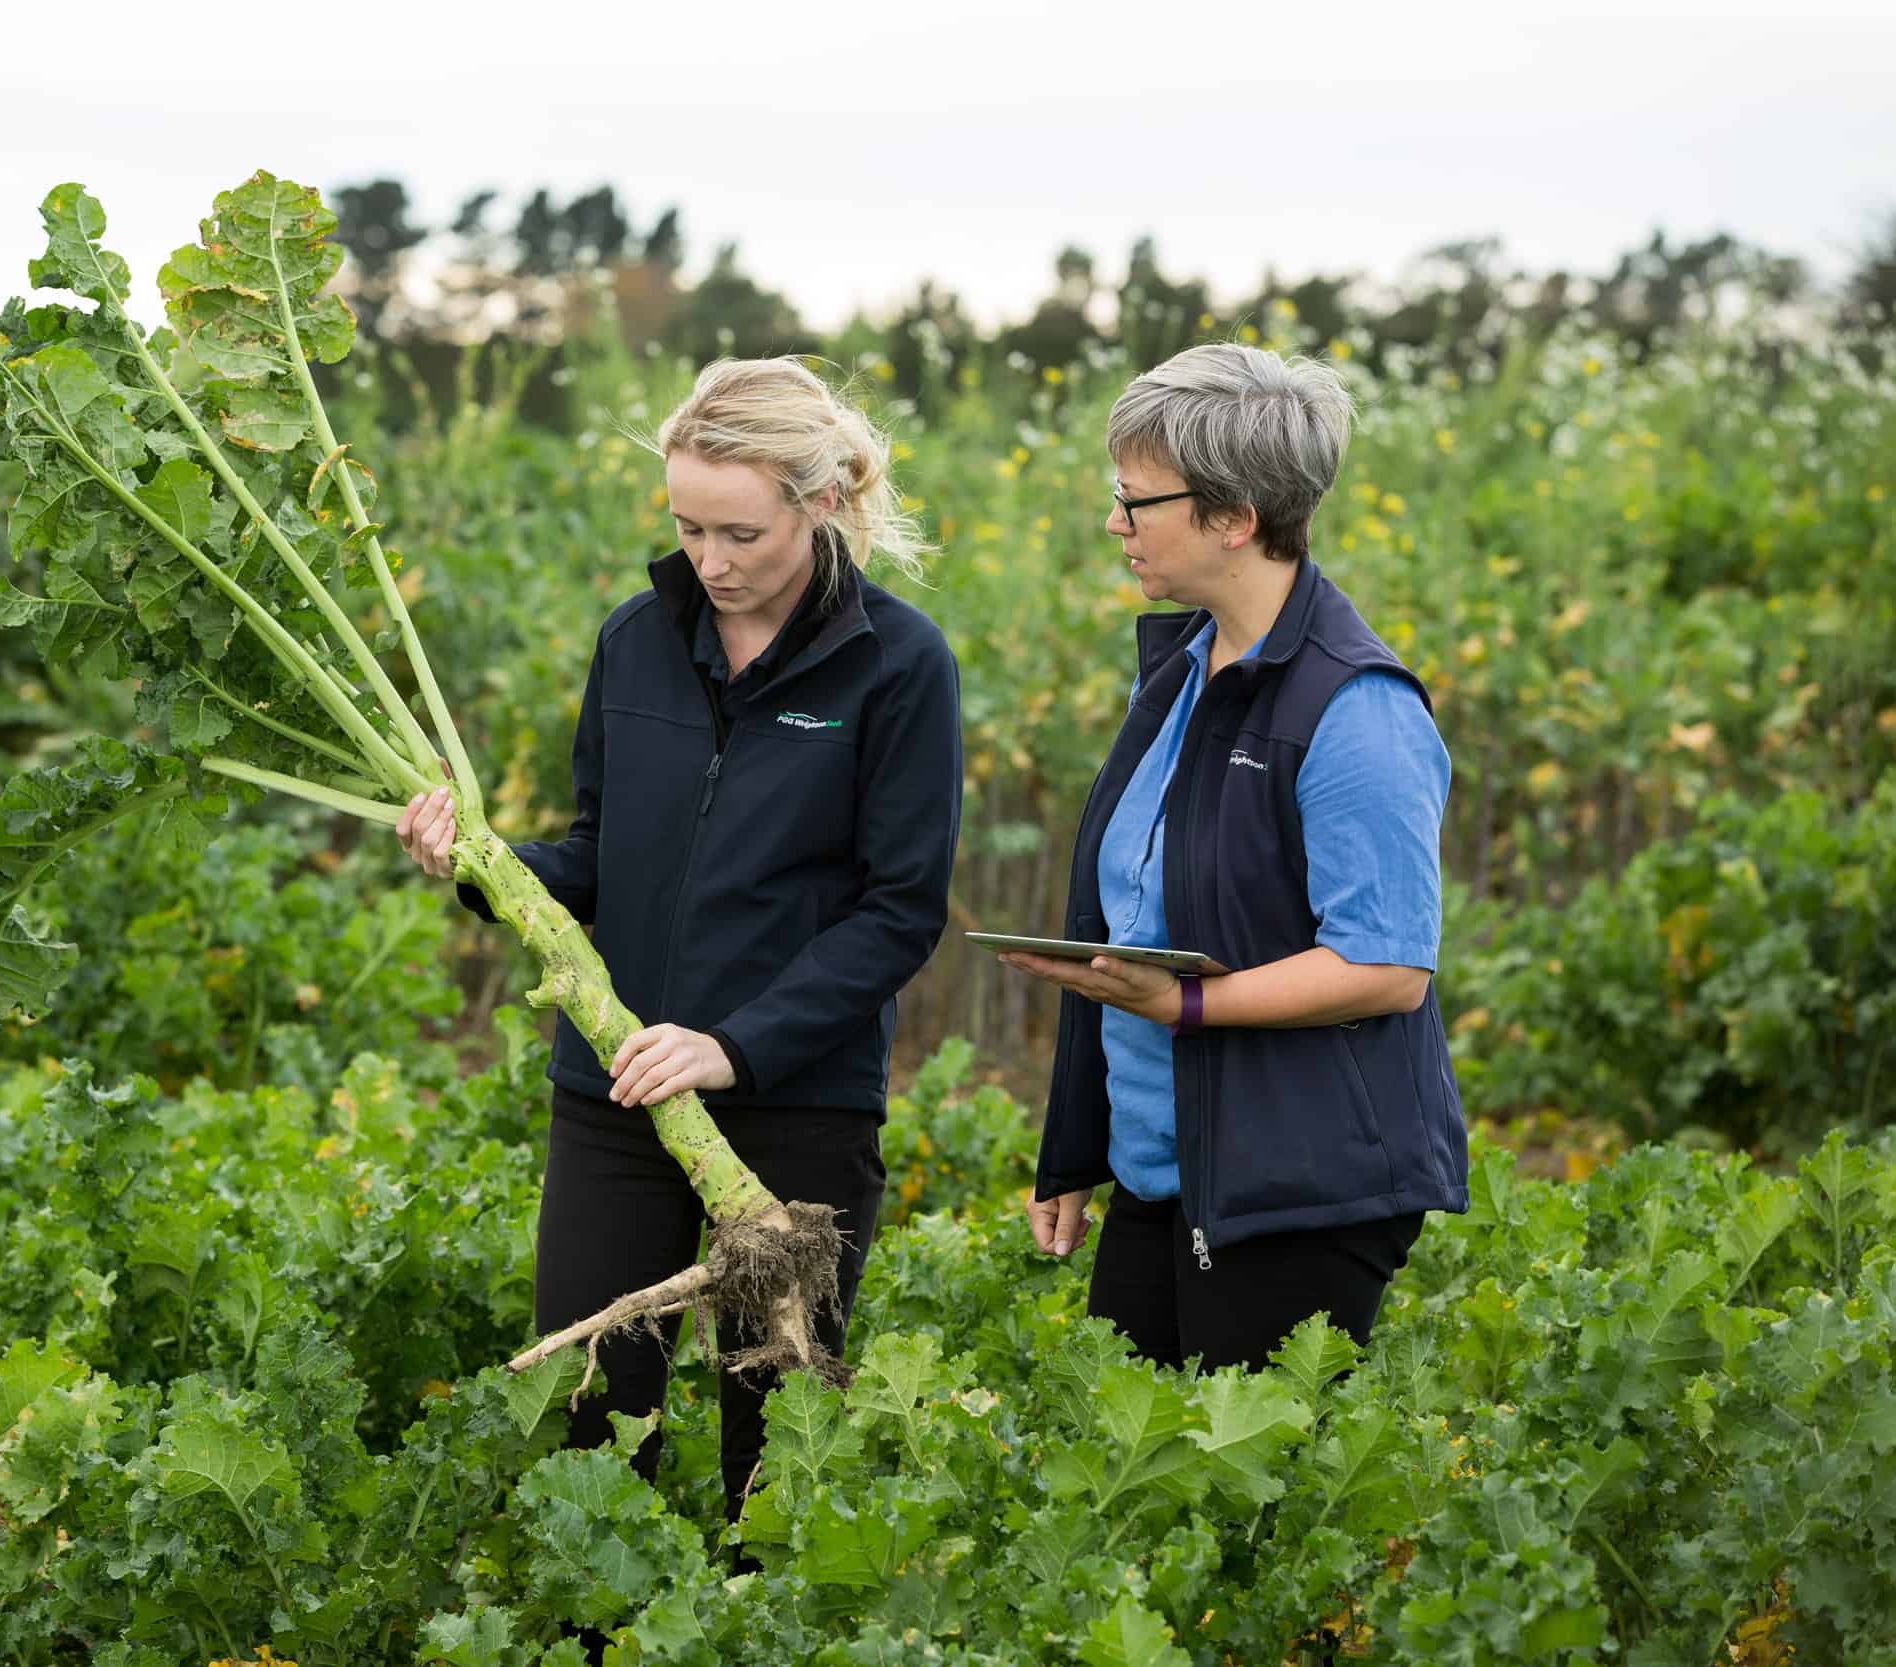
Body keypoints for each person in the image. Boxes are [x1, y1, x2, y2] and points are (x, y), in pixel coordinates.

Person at [395, 357, 962, 1509]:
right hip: (617, 1092)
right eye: (686, 527)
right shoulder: (636, 640)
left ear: (819, 503)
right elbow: (597, 858)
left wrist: (732, 1045)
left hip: (796, 1102)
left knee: (783, 1441)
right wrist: (481, 865)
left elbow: (899, 909)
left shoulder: (899, 666)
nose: (711, 562)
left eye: (741, 532)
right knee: (595, 1425)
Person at [998, 342, 1467, 1373]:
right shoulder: (1176, 672)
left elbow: (1386, 966)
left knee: (1249, 1508)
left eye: (1136, 500)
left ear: (1233, 517)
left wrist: (1190, 1007)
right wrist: (1075, 1149)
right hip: (1165, 1170)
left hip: (1292, 1188)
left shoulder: (1356, 708)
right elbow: (1122, 926)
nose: (1114, 523)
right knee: (1135, 1490)